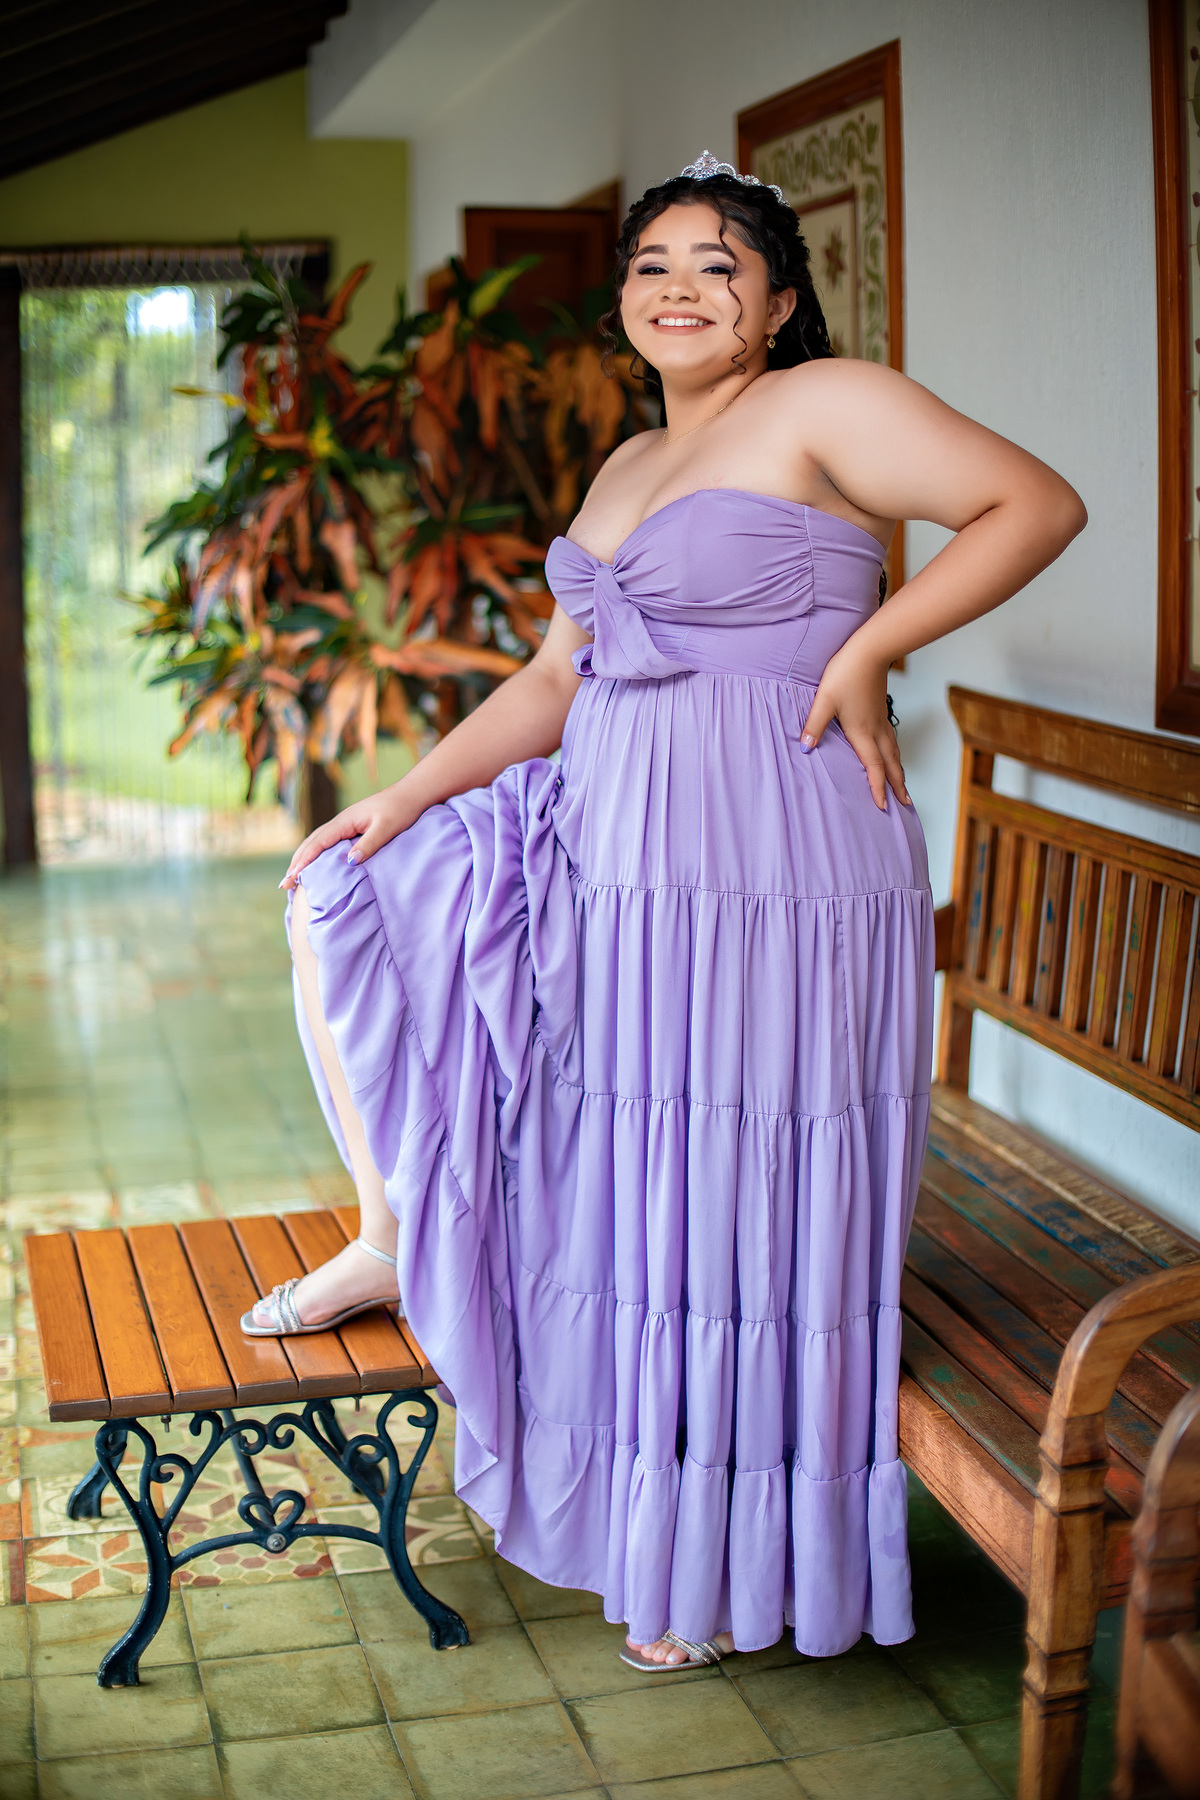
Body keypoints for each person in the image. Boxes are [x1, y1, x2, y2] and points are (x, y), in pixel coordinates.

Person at [246, 153, 1086, 1670]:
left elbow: (1034, 505)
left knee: (744, 1192)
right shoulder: (627, 463)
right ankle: (402, 1238)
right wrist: (408, 794)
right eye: (652, 265)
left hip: (780, 862)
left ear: (776, 302)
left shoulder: (827, 403)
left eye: (718, 264)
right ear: (625, 302)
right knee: (612, 1148)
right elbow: (555, 680)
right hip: (628, 863)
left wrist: (866, 650)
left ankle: (722, 1564)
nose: (680, 287)